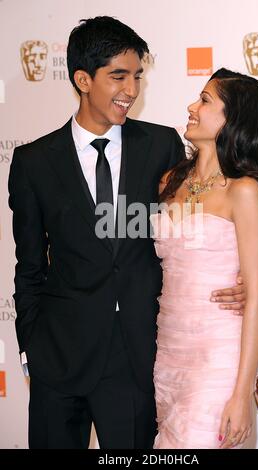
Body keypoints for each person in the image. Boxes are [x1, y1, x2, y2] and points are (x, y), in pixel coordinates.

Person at [8, 17, 245, 449]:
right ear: (83, 79)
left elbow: (198, 227)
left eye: (137, 76)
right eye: (118, 76)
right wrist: (31, 351)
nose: (131, 90)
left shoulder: (162, 146)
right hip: (57, 359)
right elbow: (28, 267)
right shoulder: (33, 161)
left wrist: (240, 277)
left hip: (136, 357)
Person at [150, 68, 258, 449]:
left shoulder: (244, 191)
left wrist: (242, 395)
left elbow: (257, 296)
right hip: (168, 355)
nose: (192, 107)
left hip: (217, 360)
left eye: (205, 100)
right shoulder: (170, 182)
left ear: (234, 119)